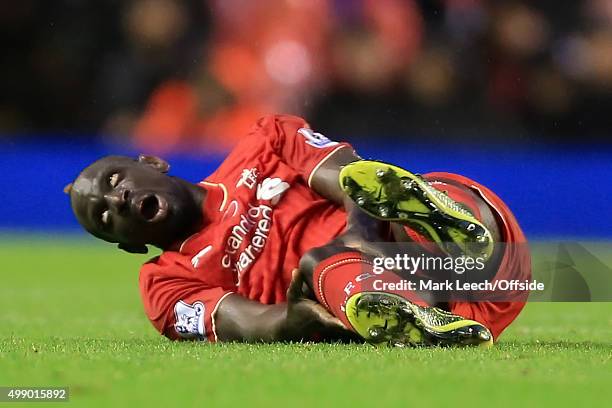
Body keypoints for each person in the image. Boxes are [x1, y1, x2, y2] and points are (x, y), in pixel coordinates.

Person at [65, 114, 530, 346]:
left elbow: (352, 179)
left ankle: (454, 229)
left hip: (466, 256)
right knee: (320, 265)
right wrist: (293, 321)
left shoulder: (266, 140)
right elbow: (248, 322)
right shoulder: (166, 285)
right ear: (125, 244)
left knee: (404, 191)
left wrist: (363, 238)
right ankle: (413, 318)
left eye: (113, 180)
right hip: (415, 302)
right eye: (104, 218)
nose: (116, 200)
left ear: (152, 161)